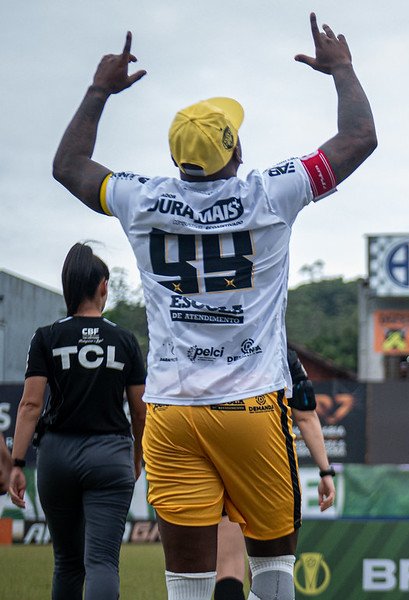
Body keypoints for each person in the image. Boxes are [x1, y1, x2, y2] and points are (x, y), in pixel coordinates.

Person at [52, 13, 376, 600]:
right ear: (236, 146)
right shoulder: (271, 190)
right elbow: (358, 140)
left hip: (172, 411)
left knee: (189, 584)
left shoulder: (141, 198)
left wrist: (99, 90)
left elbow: (68, 167)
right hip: (250, 407)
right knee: (273, 572)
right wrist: (343, 71)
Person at [8, 243, 147, 599]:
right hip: (110, 455)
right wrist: (138, 456)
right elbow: (141, 408)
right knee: (102, 562)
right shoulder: (125, 340)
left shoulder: (47, 337)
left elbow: (29, 405)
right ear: (103, 286)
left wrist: (17, 463)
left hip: (57, 456)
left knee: (67, 561)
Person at [214, 349, 335, 600]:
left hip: (218, 455)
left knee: (228, 567)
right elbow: (306, 415)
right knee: (269, 568)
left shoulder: (213, 346)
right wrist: (325, 471)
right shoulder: (281, 353)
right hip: (266, 464)